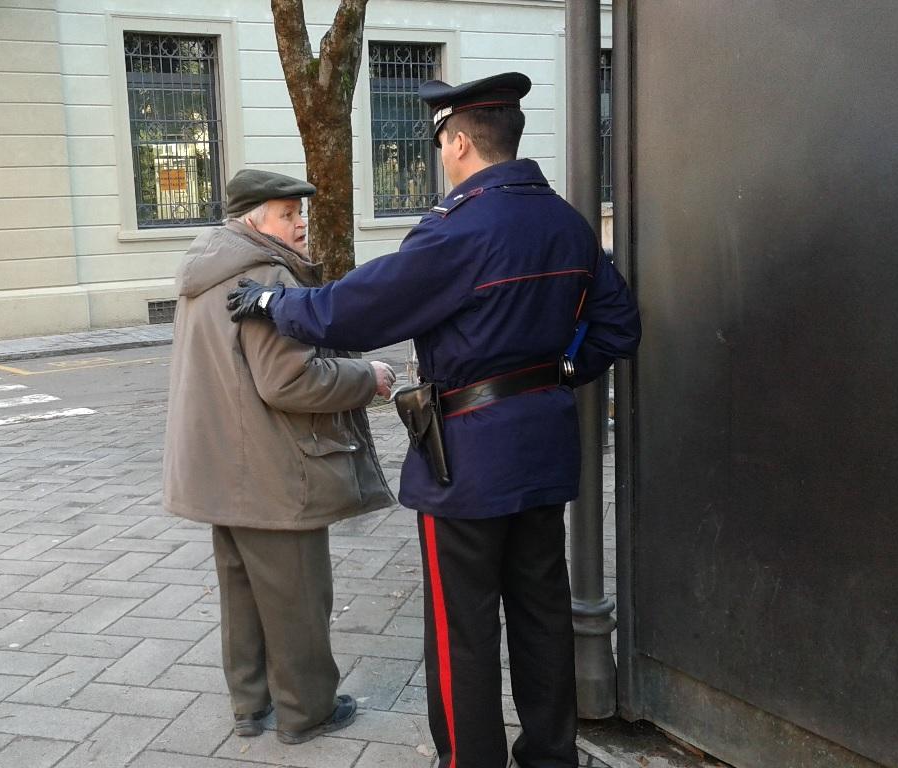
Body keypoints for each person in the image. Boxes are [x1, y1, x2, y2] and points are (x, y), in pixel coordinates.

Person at [227, 73, 641, 768]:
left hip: (469, 459)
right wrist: (559, 374)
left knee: (463, 629)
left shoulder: (460, 229)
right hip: (544, 448)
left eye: (441, 144)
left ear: (457, 142)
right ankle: (550, 755)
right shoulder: (566, 223)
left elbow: (354, 309)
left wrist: (273, 306)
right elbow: (618, 326)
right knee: (542, 610)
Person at [163, 168, 399, 745]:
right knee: (297, 596)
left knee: (242, 593)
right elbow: (288, 381)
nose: (299, 225)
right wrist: (367, 376)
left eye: (300, 214)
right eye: (286, 214)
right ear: (253, 221)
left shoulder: (207, 267)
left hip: (221, 466)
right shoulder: (266, 275)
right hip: (271, 466)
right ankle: (307, 711)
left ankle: (250, 706)